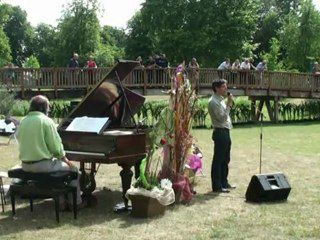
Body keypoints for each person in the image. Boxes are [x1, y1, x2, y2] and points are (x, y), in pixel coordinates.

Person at [16, 95, 85, 210]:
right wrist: (66, 160)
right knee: (74, 170)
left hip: (25, 165)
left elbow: (19, 138)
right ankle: (75, 203)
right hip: (43, 165)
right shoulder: (46, 121)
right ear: (44, 108)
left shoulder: (23, 121)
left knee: (58, 171)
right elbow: (56, 148)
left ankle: (62, 203)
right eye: (48, 107)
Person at [208, 79, 235, 193]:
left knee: (225, 159)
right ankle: (217, 186)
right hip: (220, 132)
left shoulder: (221, 100)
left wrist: (229, 103)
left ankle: (224, 182)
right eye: (223, 87)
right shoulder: (213, 101)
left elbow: (226, 115)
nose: (226, 89)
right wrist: (229, 104)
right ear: (217, 88)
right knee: (218, 160)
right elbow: (222, 118)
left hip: (226, 131)